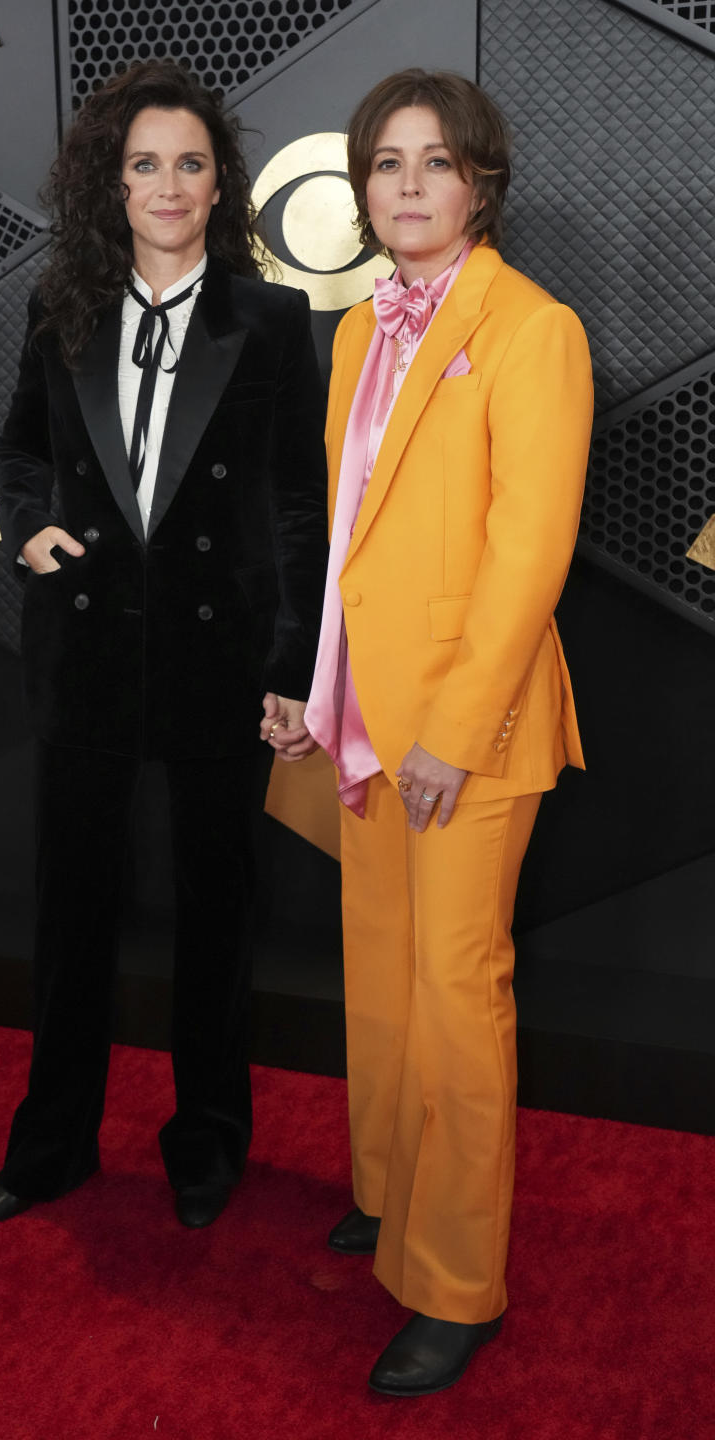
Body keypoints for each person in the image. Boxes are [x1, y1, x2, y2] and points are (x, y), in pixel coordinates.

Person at [0, 60, 326, 1232]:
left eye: (189, 163)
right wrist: (26, 528)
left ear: (221, 183)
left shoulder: (269, 318)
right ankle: (53, 1145)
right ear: (107, 184)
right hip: (84, 651)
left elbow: (292, 507)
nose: (167, 186)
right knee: (71, 910)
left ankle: (208, 1143)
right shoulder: (56, 303)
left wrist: (287, 668)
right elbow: (13, 452)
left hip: (219, 659)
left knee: (217, 913)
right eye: (143, 165)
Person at [303, 70, 594, 1395]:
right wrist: (315, 697)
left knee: (454, 999)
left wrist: (455, 730)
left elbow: (528, 557)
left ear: (479, 182)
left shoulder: (532, 331)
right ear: (361, 189)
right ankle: (391, 1192)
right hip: (365, 720)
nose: (407, 184)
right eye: (384, 164)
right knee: (378, 975)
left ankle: (460, 1283)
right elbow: (348, 541)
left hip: (466, 734)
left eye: (434, 162)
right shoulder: (363, 330)